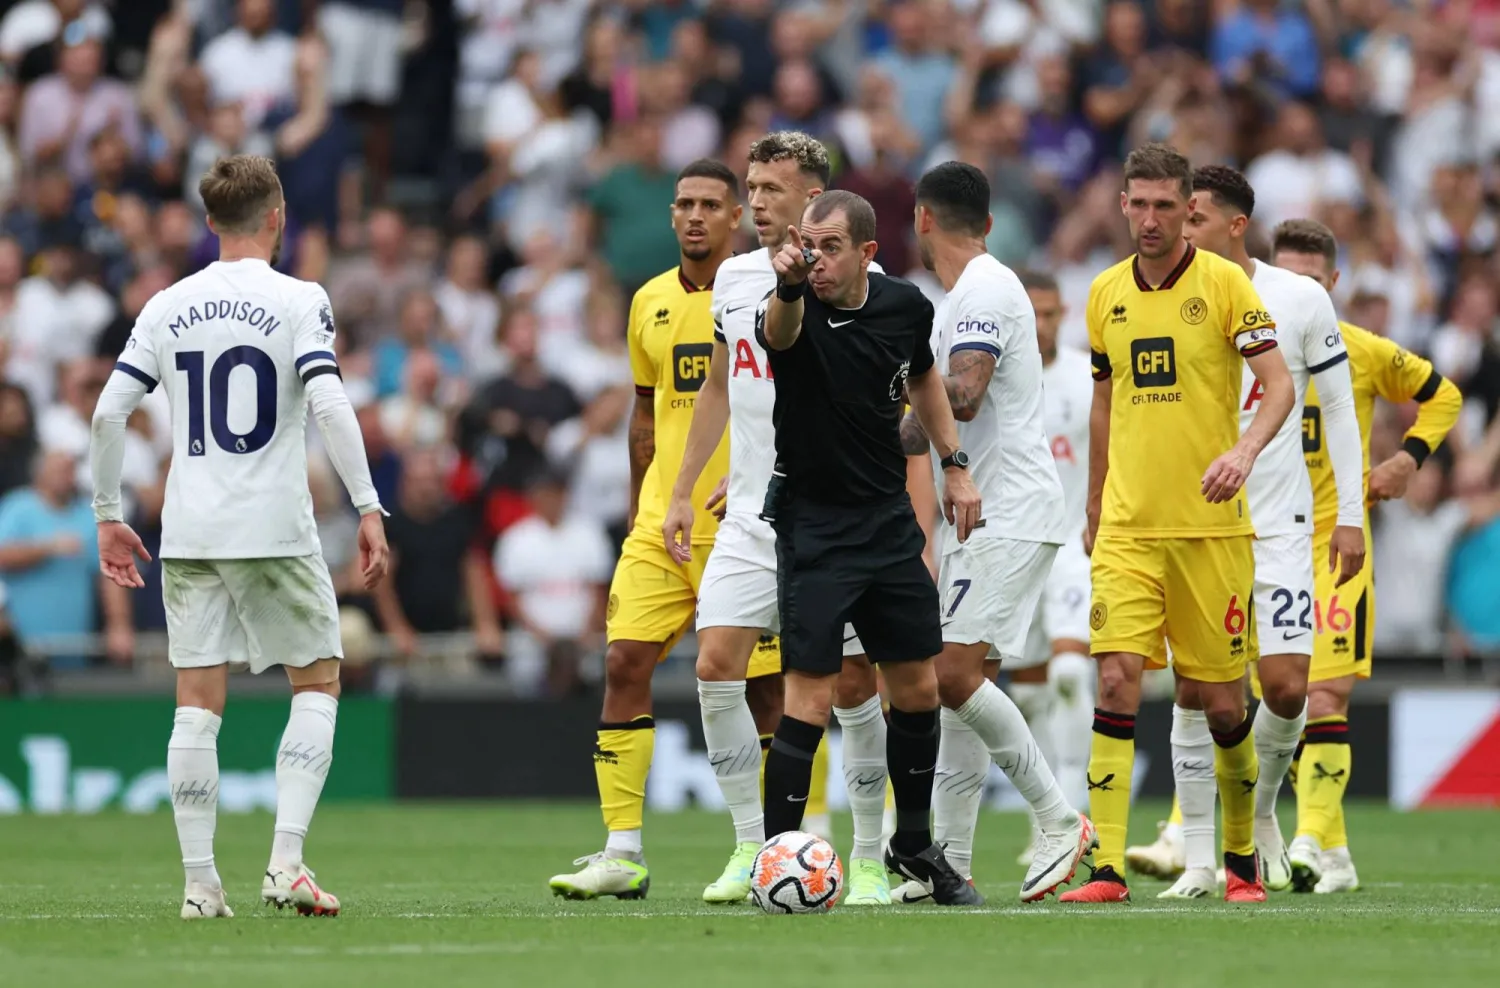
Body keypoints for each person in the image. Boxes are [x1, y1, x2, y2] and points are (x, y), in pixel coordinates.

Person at [88, 154, 390, 920]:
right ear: (278, 215)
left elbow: (106, 414)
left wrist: (107, 514)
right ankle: (285, 862)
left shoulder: (166, 304)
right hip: (274, 528)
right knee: (318, 680)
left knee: (196, 704)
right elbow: (329, 403)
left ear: (210, 221)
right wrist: (367, 504)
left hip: (189, 531)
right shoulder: (298, 298)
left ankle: (199, 885)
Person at [1059, 143, 1295, 905]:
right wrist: (1095, 502)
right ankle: (1105, 867)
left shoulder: (1226, 285)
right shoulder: (1102, 294)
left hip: (1210, 531)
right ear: (1121, 205)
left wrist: (1244, 451)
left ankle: (1241, 861)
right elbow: (1104, 399)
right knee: (1117, 679)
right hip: (1129, 527)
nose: (1151, 218)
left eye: (1166, 205)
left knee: (1222, 703)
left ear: (1190, 209)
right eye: (1139, 204)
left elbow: (1279, 384)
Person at [662, 131, 890, 906]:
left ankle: (867, 858)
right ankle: (749, 849)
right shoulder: (732, 278)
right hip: (753, 520)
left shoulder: (861, 277)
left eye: (771, 189)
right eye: (751, 187)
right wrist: (686, 487)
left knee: (854, 684)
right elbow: (720, 387)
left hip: (839, 521)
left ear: (812, 195)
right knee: (714, 667)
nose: (754, 201)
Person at [549, 159, 783, 901]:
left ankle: (773, 847)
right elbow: (647, 412)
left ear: (736, 217)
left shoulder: (762, 293)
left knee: (764, 691)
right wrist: (641, 500)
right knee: (623, 664)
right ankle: (622, 852)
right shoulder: (648, 300)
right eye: (684, 203)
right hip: (660, 521)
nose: (693, 217)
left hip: (740, 520)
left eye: (711, 205)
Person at [1131, 165, 1367, 900]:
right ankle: (1203, 860)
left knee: (1287, 687)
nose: (1177, 228)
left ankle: (1260, 815)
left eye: (1192, 217)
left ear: (1232, 225)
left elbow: (1340, 408)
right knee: (1200, 691)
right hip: (1200, 526)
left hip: (1281, 524)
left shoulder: (1299, 299)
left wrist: (1352, 515)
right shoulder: (1162, 293)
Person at [756, 188, 983, 906]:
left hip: (886, 518)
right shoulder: (792, 302)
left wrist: (953, 463)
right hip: (814, 523)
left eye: (830, 248)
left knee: (918, 687)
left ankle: (914, 846)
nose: (816, 260)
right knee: (810, 698)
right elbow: (780, 332)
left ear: (866, 253)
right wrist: (790, 285)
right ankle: (775, 859)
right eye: (808, 246)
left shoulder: (905, 309)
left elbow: (921, 376)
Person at [889, 161, 1093, 906]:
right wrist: (897, 429)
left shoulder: (980, 291)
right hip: (989, 512)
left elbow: (965, 395)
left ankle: (1059, 819)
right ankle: (953, 861)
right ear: (989, 220)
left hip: (1006, 508)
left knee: (948, 673)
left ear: (921, 219)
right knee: (966, 684)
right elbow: (942, 416)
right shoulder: (970, 293)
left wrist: (906, 423)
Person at [1267, 219, 1460, 893]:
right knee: (1277, 698)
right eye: (1286, 280)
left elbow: (1444, 397)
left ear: (1334, 284)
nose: (1299, 294)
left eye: (1312, 282)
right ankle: (1337, 853)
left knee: (1323, 695)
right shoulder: (1244, 355)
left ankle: (1311, 839)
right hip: (1262, 546)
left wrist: (1408, 459)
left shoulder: (1361, 350)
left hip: (1336, 547)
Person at [1009, 270, 1095, 866]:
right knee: (1031, 691)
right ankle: (1046, 822)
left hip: (1071, 543)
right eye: (1032, 314)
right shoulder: (998, 376)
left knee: (1070, 670)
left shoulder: (1085, 377)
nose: (1042, 325)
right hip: (1014, 546)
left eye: (1050, 313)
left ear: (1063, 313)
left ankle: (1076, 813)